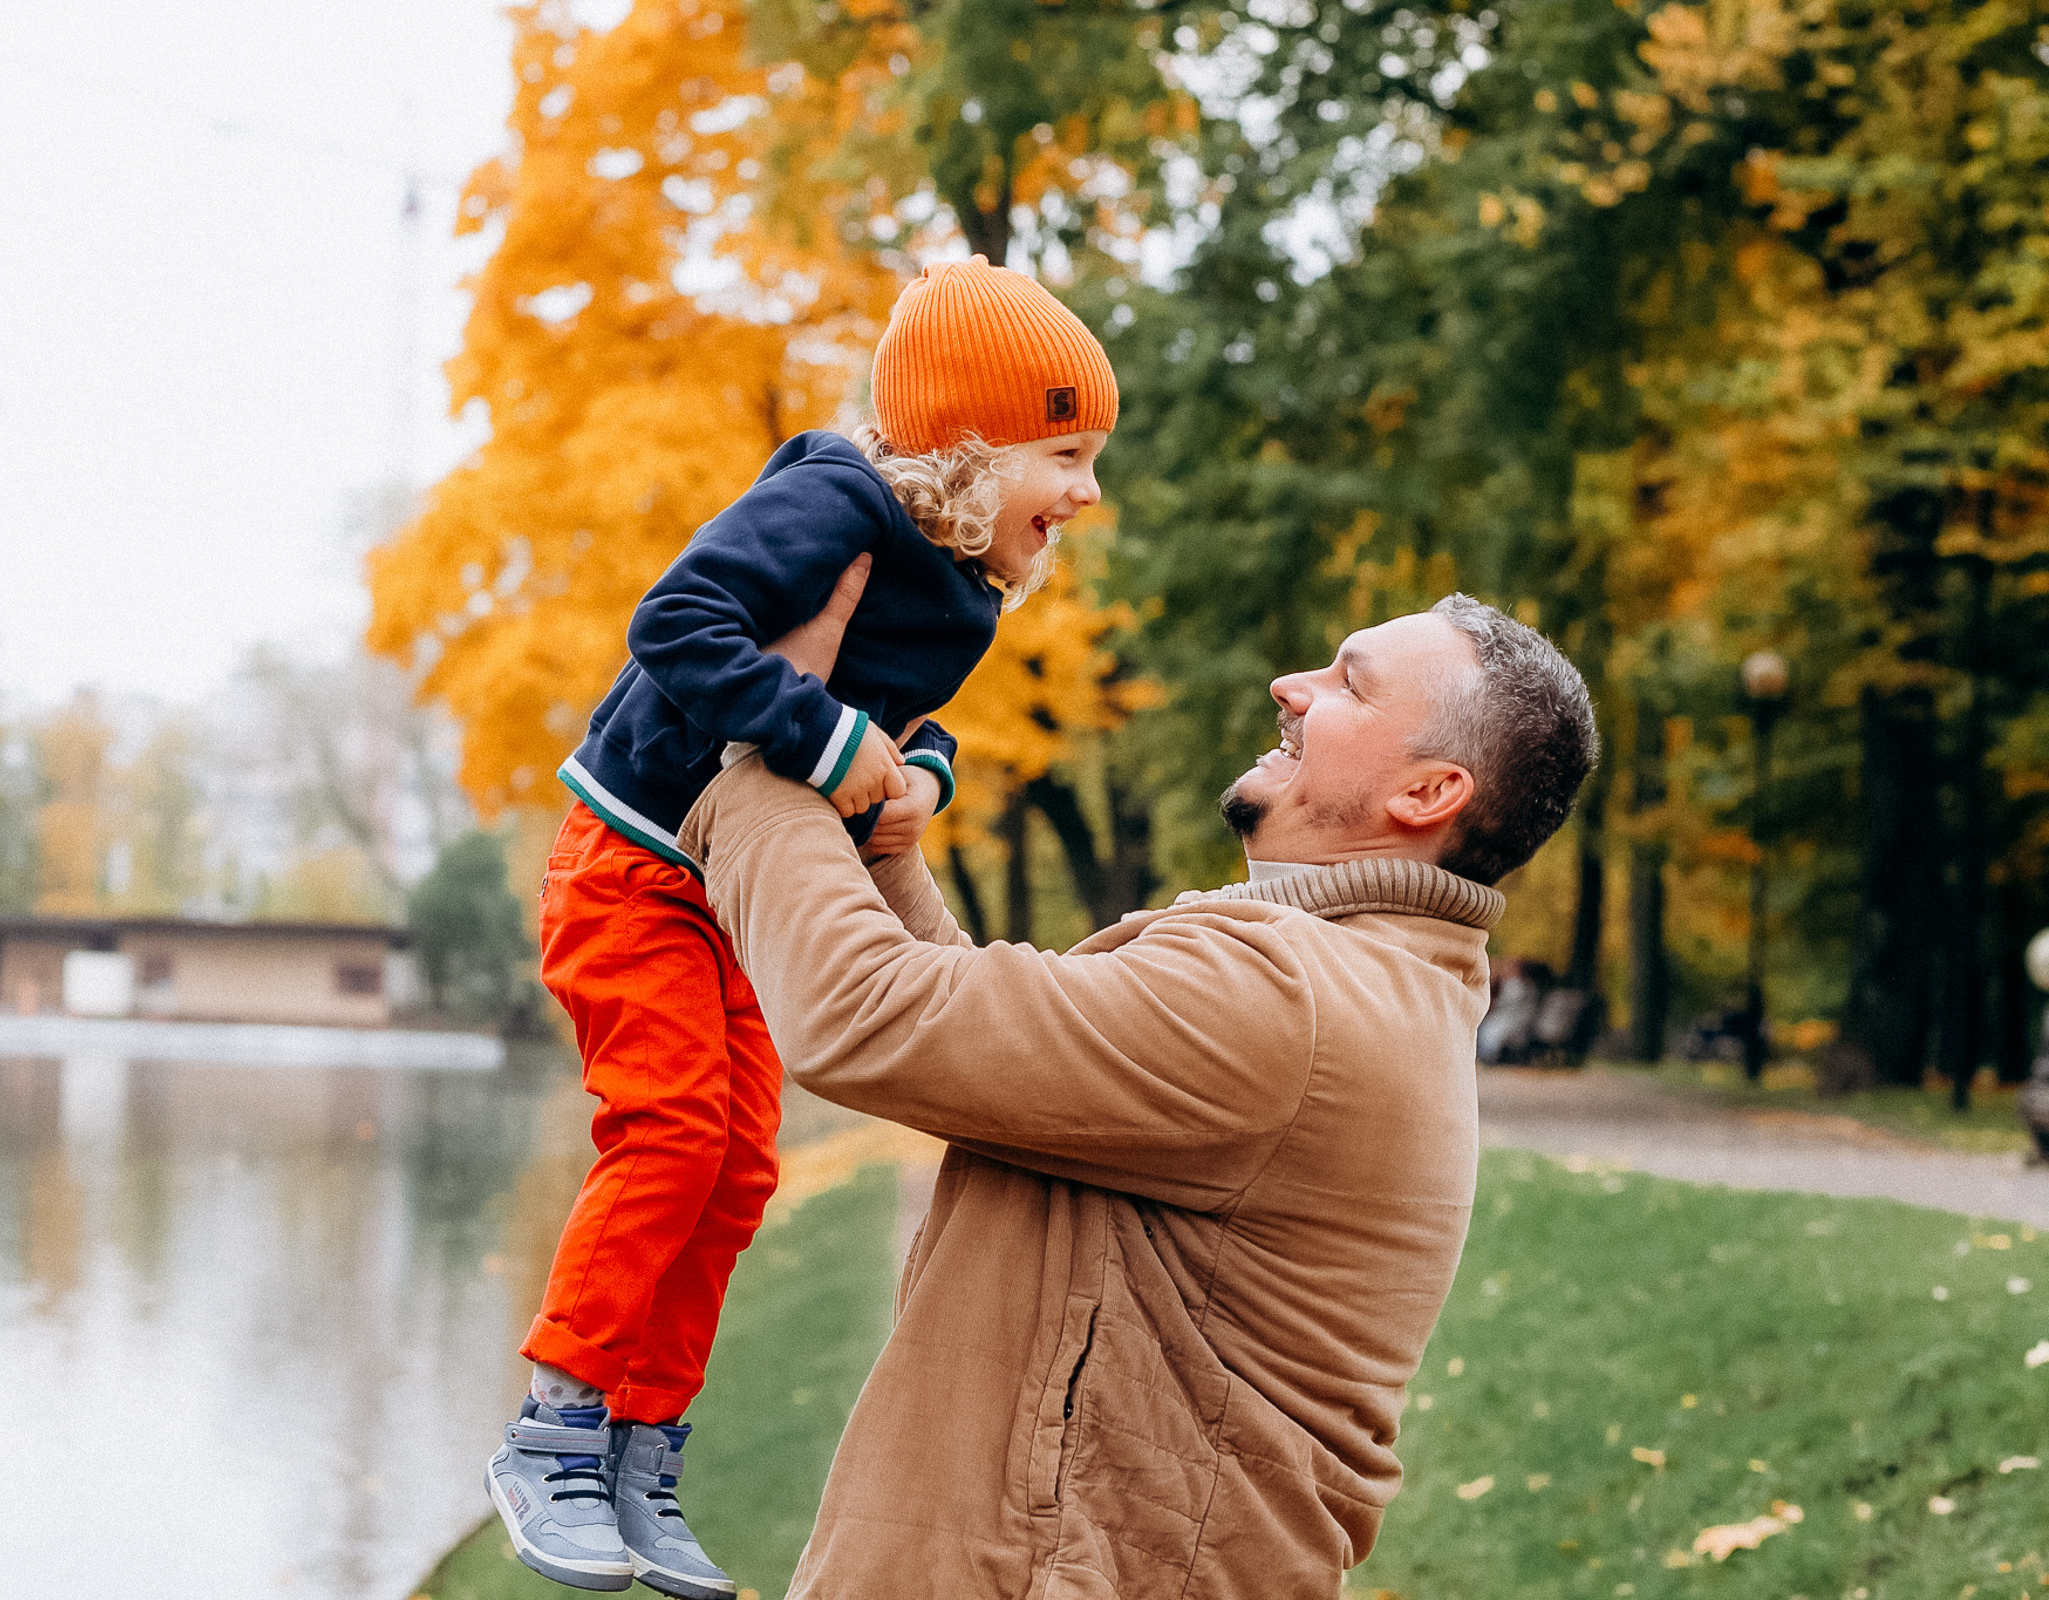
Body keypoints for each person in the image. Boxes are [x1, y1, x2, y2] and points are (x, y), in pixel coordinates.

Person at [673, 587, 1598, 1598]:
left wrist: (761, 752)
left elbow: (865, 1016)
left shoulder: (1292, 1000)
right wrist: (883, 854)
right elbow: (1006, 1063)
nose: (1292, 686)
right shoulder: (1355, 982)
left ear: (1429, 793)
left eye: (1348, 683)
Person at [485, 256, 1120, 1599]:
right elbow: (679, 625)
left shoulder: (960, 585)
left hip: (729, 894)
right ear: (970, 446)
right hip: (633, 861)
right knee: (666, 1132)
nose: (1086, 492)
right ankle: (555, 1432)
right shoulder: (832, 501)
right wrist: (821, 738)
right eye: (1064, 453)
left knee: (737, 1166)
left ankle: (641, 1451)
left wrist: (917, 773)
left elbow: (892, 713)